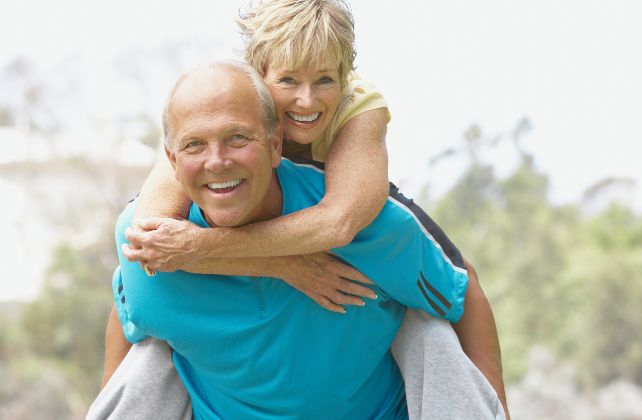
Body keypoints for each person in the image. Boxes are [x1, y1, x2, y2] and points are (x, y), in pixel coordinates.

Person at [98, 0, 509, 418]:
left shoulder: (358, 110)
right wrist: (282, 265)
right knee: (144, 326)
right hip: (267, 200)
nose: (306, 100)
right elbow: (144, 246)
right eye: (289, 80)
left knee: (428, 322)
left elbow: (339, 222)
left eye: (325, 79)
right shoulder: (223, 115)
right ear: (259, 73)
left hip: (340, 201)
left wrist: (204, 247)